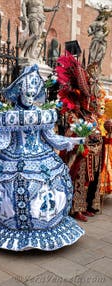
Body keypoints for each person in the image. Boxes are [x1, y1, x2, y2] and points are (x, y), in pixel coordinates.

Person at [0, 64, 84, 251]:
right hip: (12, 159)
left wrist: (74, 140)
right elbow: (2, 142)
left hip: (44, 158)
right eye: (27, 92)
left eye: (33, 93)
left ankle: (47, 224)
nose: (30, 97)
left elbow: (52, 139)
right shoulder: (10, 116)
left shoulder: (40, 115)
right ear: (19, 91)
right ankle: (15, 227)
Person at [56, 53, 103, 222]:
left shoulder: (89, 109)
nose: (88, 100)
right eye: (86, 97)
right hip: (78, 149)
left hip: (94, 148)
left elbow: (97, 115)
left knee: (90, 178)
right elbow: (71, 127)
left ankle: (88, 204)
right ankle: (75, 209)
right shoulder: (73, 109)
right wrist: (81, 134)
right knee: (78, 178)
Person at [88, 6, 112, 73]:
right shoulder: (96, 23)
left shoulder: (105, 24)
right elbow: (90, 28)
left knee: (102, 53)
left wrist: (104, 35)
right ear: (102, 16)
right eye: (105, 16)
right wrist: (90, 32)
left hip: (102, 40)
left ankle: (97, 67)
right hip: (96, 39)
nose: (106, 18)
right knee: (93, 53)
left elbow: (107, 31)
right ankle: (91, 67)